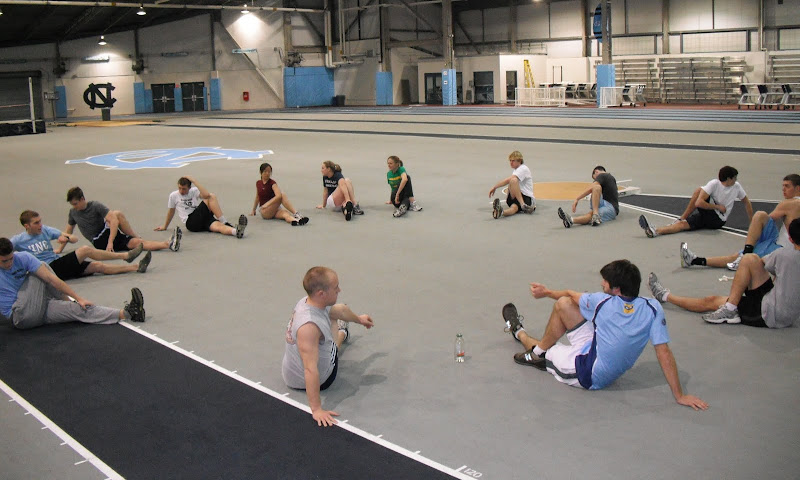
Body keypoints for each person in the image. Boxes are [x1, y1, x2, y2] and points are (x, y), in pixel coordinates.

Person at [501, 259, 707, 410]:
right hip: (595, 347)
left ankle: (523, 336)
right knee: (564, 305)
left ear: (616, 289)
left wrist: (546, 293)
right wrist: (679, 395)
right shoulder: (653, 307)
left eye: (605, 282)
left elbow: (571, 292)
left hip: (587, 372)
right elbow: (663, 352)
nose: (602, 284)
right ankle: (540, 349)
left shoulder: (602, 302)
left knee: (549, 348)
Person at [648, 218, 800, 328]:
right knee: (750, 259)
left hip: (768, 314)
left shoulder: (783, 255)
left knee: (711, 301)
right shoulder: (784, 255)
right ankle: (731, 305)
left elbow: (765, 264)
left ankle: (665, 295)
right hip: (787, 311)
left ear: (790, 238)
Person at [281, 266, 374, 427]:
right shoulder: (309, 327)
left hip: (290, 373)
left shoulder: (305, 302)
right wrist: (316, 409)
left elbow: (341, 309)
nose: (339, 290)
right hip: (320, 380)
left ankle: (340, 329)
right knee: (332, 339)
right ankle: (342, 332)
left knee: (335, 312)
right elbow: (310, 369)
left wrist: (359, 319)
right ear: (321, 294)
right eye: (335, 287)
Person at [0, 237, 145, 330]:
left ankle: (128, 313)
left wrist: (78, 299)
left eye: (11, 258)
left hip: (38, 309)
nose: (9, 263)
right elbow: (49, 279)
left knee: (77, 309)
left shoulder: (22, 258)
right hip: (20, 315)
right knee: (41, 269)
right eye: (4, 261)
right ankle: (66, 299)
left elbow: (53, 280)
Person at [680, 174, 800, 270]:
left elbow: (766, 220)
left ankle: (743, 254)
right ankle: (695, 260)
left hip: (783, 247)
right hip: (783, 242)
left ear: (798, 188)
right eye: (783, 186)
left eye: (787, 186)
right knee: (738, 254)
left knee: (759, 217)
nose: (783, 189)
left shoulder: (789, 203)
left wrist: (754, 234)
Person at [11, 210, 151, 281]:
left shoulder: (45, 230)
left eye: (40, 221)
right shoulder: (19, 240)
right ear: (26, 226)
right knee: (85, 250)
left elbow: (74, 238)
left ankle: (136, 267)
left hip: (59, 265)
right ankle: (125, 256)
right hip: (47, 269)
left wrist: (65, 238)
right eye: (36, 223)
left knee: (97, 266)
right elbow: (4, 250)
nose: (40, 225)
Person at [639, 166, 753, 238]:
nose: (736, 180)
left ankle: (681, 218)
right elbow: (699, 203)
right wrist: (718, 207)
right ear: (728, 179)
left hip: (718, 220)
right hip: (709, 216)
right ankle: (655, 231)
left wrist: (752, 222)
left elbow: (746, 202)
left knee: (699, 191)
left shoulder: (737, 187)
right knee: (682, 225)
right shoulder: (715, 184)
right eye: (735, 178)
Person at [65, 186, 181, 253]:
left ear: (82, 199)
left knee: (117, 214)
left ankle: (136, 237)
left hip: (105, 232)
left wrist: (110, 240)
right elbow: (67, 232)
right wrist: (60, 248)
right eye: (72, 204)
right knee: (136, 243)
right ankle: (168, 244)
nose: (74, 207)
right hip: (100, 240)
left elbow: (114, 220)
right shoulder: (73, 212)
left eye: (75, 203)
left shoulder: (95, 205)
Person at [155, 175, 247, 238]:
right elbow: (171, 211)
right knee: (211, 197)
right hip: (191, 222)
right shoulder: (173, 195)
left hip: (201, 218)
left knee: (218, 226)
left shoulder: (194, 191)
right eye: (179, 188)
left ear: (189, 187)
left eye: (184, 189)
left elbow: (205, 194)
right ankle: (225, 222)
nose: (181, 191)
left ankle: (236, 231)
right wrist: (165, 226)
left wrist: (194, 181)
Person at [489, 150, 536, 219]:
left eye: (513, 161)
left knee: (514, 208)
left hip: (526, 197)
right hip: (516, 197)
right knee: (513, 181)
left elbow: (508, 180)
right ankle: (501, 211)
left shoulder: (523, 168)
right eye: (510, 160)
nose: (511, 163)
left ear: (519, 161)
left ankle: (504, 211)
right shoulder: (516, 170)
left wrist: (495, 187)